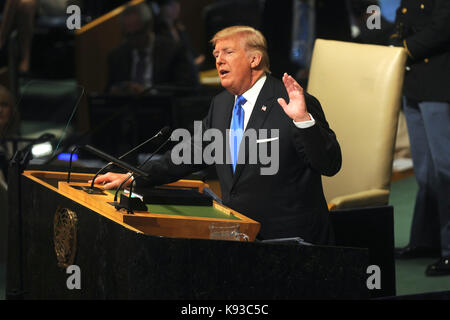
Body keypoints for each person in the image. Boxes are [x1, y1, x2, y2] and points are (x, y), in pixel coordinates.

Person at [94, 25, 341, 244]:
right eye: (216, 55)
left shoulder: (292, 102)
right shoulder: (222, 104)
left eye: (228, 52)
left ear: (254, 58)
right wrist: (133, 177)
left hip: (292, 243)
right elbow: (187, 154)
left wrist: (303, 121)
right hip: (238, 236)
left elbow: (329, 164)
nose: (219, 60)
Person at [392, 0, 450, 276]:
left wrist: (403, 49)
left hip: (440, 83)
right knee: (425, 172)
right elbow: (402, 20)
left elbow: (443, 27)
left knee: (445, 171)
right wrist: (392, 44)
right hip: (414, 83)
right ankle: (426, 241)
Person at [106, 2, 199, 94]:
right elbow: (108, 93)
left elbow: (188, 87)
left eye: (137, 34)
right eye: (128, 35)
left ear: (149, 26)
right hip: (127, 107)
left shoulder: (173, 51)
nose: (133, 40)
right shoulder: (117, 56)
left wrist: (149, 92)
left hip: (162, 106)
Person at [153, 0, 205, 67]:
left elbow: (190, 51)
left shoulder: (179, 27)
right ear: (160, 8)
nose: (176, 7)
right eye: (171, 5)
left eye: (177, 3)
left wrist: (196, 59)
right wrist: (191, 64)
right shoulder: (157, 32)